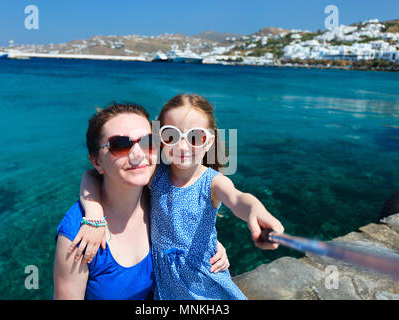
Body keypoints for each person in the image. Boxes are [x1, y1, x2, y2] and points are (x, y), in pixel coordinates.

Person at [75, 94, 285, 299]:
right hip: (167, 286)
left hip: (203, 283)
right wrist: (94, 213)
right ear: (160, 139)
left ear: (209, 141)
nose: (183, 147)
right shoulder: (155, 174)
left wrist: (256, 212)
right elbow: (92, 175)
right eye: (171, 136)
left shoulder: (213, 182)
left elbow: (238, 198)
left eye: (195, 137)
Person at [53, 103, 229, 300]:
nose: (138, 154)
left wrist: (204, 243)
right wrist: (94, 216)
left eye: (148, 142)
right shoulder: (78, 235)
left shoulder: (159, 198)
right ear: (96, 161)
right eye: (120, 144)